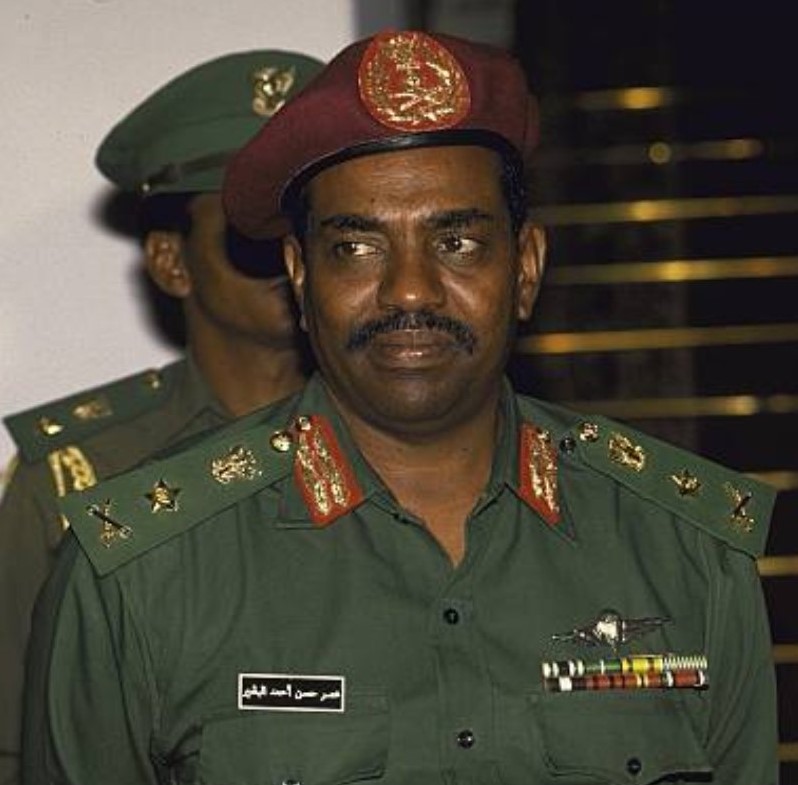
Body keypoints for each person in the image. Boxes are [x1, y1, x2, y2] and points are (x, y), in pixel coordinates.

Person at [23, 31, 778, 785]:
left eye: (457, 242)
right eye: (357, 247)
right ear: (299, 277)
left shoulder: (683, 550)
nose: (410, 289)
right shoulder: (145, 572)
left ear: (525, 268)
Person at [0, 50, 323, 785]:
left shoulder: (404, 441)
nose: (288, 257)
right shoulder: (77, 474)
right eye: (249, 237)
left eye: (310, 228)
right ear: (172, 262)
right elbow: (16, 743)